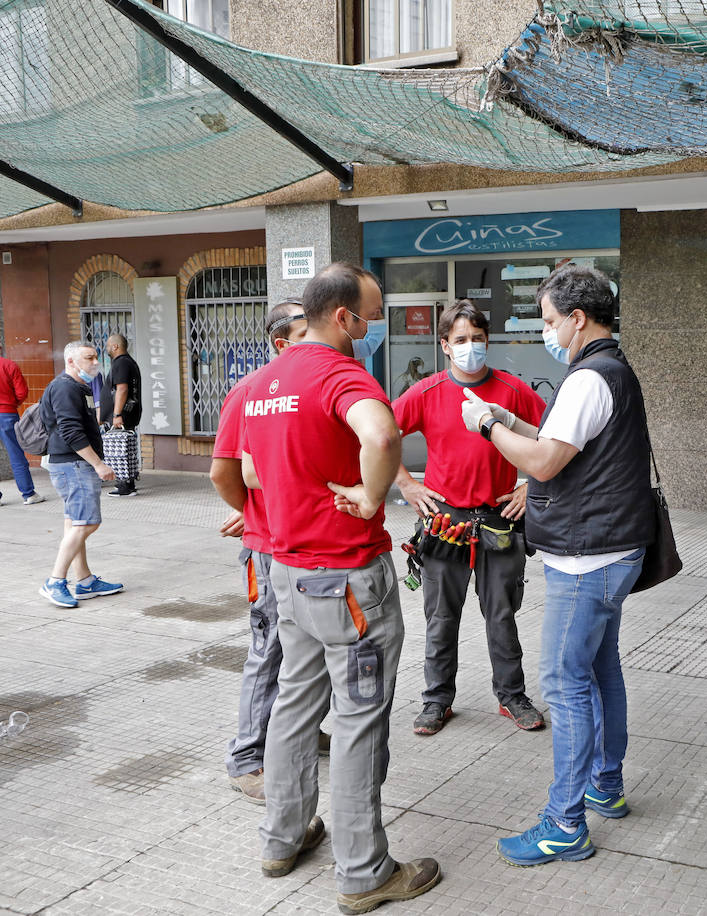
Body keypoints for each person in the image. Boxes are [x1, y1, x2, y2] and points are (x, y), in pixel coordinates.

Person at [241, 263, 441, 912]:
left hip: (286, 573)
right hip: (347, 581)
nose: (374, 329)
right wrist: (373, 492)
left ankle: (283, 836)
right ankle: (363, 871)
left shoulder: (263, 382)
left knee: (294, 705)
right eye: (372, 317)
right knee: (358, 722)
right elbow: (382, 433)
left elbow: (237, 467)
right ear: (344, 318)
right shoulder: (340, 374)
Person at [462, 264, 654, 867]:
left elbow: (544, 463)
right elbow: (563, 443)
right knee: (601, 672)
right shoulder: (613, 371)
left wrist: (489, 424)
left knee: (565, 687)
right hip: (614, 551)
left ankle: (565, 823)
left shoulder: (588, 378)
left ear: (577, 318)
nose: (546, 332)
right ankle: (605, 784)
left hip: (585, 561)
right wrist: (508, 419)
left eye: (549, 321)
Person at [392, 300, 547, 737]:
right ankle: (437, 700)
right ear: (445, 345)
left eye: (477, 339)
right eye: (461, 340)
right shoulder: (425, 392)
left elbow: (557, 441)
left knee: (502, 613)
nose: (470, 347)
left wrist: (528, 487)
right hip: (446, 524)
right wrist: (407, 484)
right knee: (441, 617)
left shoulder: (513, 391)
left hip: (499, 521)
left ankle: (511, 695)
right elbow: (378, 436)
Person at [210, 299, 329, 803]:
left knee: (309, 646)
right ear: (283, 341)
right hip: (267, 549)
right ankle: (247, 757)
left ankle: (301, 729)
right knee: (269, 650)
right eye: (308, 330)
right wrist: (256, 513)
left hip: (304, 545)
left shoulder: (310, 387)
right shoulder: (250, 391)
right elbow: (227, 472)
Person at [39, 341, 121, 609]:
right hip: (73, 465)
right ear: (71, 361)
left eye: (96, 357)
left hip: (70, 464)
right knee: (86, 524)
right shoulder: (65, 387)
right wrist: (98, 464)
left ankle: (84, 581)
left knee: (75, 523)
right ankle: (54, 581)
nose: (95, 362)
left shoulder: (77, 387)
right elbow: (71, 431)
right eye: (89, 357)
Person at [0, 335, 43, 507]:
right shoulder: (9, 365)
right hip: (5, 414)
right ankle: (28, 494)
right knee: (16, 454)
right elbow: (22, 392)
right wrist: (12, 404)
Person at [98, 333, 142, 497]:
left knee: (119, 450)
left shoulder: (121, 363)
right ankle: (127, 482)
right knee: (125, 449)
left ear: (115, 346)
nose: (107, 348)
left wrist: (116, 414)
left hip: (122, 415)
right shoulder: (127, 362)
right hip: (126, 414)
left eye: (108, 345)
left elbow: (122, 389)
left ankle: (124, 485)